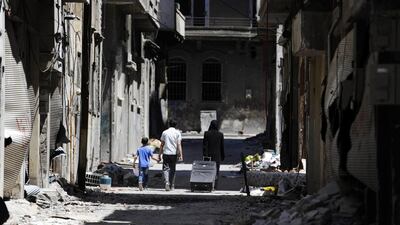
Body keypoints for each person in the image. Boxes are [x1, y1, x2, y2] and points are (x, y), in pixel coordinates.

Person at [160, 119, 183, 191]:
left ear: (169, 124)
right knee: (173, 169)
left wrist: (159, 153)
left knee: (165, 168)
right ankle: (172, 185)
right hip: (173, 154)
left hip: (166, 153)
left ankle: (167, 182)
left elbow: (162, 144)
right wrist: (180, 154)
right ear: (176, 125)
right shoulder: (177, 133)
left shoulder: (165, 132)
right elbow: (179, 144)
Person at [203, 120, 225, 189]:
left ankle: (208, 185)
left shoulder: (206, 134)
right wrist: (223, 156)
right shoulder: (220, 134)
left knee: (208, 171)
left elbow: (205, 146)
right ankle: (215, 186)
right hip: (217, 156)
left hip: (208, 156)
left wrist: (205, 155)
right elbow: (222, 146)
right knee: (216, 171)